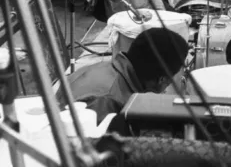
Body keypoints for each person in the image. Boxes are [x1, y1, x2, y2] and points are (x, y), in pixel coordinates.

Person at [59, 28, 189, 124]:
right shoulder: (109, 100)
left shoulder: (104, 68)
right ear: (162, 80)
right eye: (169, 82)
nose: (166, 89)